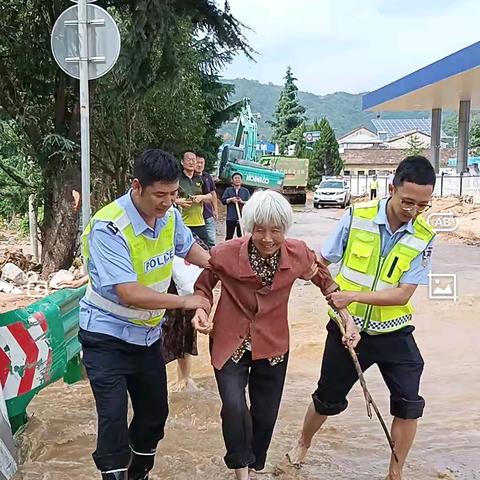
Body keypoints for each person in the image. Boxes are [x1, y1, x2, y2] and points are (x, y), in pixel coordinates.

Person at [191, 190, 360, 480]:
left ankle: (255, 466)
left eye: (275, 230)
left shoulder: (298, 254)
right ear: (249, 227)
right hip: (229, 340)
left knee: (265, 416)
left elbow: (326, 284)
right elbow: (203, 288)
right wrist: (201, 311)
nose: (268, 238)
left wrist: (347, 319)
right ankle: (240, 470)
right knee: (233, 408)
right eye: (260, 230)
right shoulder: (224, 253)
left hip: (272, 345)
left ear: (285, 229)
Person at [287, 156, 436, 480]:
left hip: (395, 331)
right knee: (326, 398)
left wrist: (353, 295)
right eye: (407, 202)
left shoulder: (424, 235)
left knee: (409, 402)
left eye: (422, 205)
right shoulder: (357, 216)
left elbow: (403, 294)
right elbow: (322, 262)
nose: (413, 212)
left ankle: (395, 473)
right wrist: (310, 278)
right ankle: (303, 443)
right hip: (346, 328)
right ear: (391, 188)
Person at [78, 149, 211, 480]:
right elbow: (129, 292)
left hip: (147, 336)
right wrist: (185, 302)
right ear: (137, 187)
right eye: (160, 195)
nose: (167, 202)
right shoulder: (109, 226)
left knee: (154, 414)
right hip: (105, 336)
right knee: (112, 416)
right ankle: (114, 473)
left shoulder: (170, 217)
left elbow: (190, 250)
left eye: (174, 193)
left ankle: (139, 472)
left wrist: (222, 265)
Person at [176, 151, 212, 245]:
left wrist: (201, 197)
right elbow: (169, 197)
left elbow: (210, 197)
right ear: (182, 162)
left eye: (193, 160)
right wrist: (178, 201)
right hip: (182, 223)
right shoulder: (177, 179)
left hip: (200, 223)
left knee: (205, 250)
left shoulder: (200, 179)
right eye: (189, 160)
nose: (192, 162)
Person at [195, 153, 218, 247]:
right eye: (197, 162)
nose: (199, 165)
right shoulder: (189, 178)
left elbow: (213, 193)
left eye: (202, 163)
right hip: (194, 215)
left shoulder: (207, 176)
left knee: (211, 240)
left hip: (208, 213)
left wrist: (215, 210)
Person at [222, 172, 250, 240]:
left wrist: (241, 201)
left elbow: (249, 203)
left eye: (239, 178)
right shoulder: (228, 190)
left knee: (241, 236)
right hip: (231, 217)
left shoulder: (245, 191)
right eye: (235, 178)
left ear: (241, 180)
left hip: (242, 217)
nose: (237, 180)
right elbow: (223, 201)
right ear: (232, 180)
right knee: (229, 236)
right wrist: (231, 199)